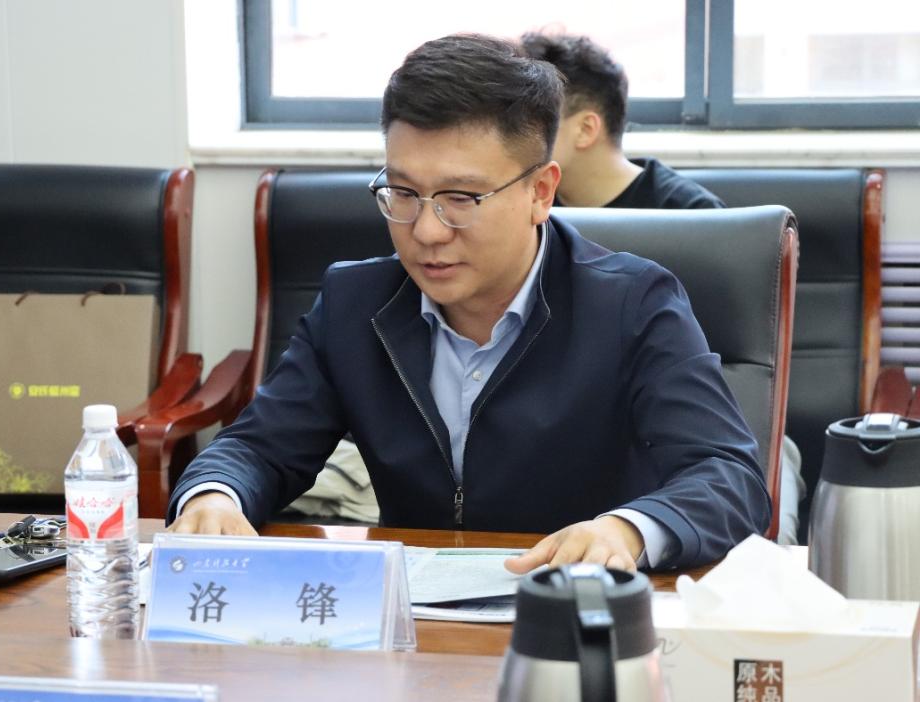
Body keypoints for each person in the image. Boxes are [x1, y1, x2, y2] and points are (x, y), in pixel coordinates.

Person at [167, 33, 770, 571]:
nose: (426, 231)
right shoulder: (356, 303)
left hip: (575, 615)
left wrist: (626, 532)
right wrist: (215, 495)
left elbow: (728, 477)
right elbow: (259, 447)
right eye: (403, 192)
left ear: (541, 192)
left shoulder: (633, 303)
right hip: (417, 618)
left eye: (460, 198)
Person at [520, 31, 805, 544]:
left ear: (585, 128)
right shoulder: (527, 216)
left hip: (677, 431)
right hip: (566, 430)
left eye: (531, 120)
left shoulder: (694, 220)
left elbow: (703, 390)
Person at [518, 32, 724, 210]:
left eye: (529, 118)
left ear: (585, 129)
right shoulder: (523, 205)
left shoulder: (693, 212)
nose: (514, 132)